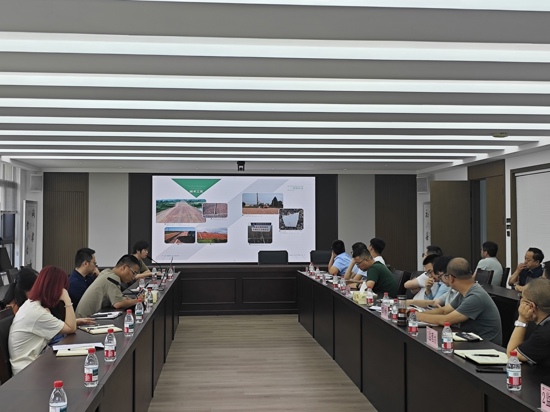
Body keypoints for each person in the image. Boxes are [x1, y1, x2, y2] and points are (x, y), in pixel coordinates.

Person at [8, 266, 93, 375]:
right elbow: (71, 328)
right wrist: (67, 299)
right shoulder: (36, 312)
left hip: (34, 363)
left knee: (75, 366)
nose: (63, 291)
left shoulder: (33, 305)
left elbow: (68, 326)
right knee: (76, 369)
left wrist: (74, 322)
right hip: (27, 371)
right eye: (62, 288)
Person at [416, 257, 502, 344]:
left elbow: (446, 320)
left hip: (485, 346)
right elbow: (444, 311)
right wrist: (417, 313)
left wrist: (417, 316)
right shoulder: (464, 292)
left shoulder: (476, 296)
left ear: (451, 278)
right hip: (471, 341)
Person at [75, 254, 145, 318]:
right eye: (133, 273)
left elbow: (119, 298)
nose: (133, 277)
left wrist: (129, 299)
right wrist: (138, 300)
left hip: (84, 318)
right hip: (84, 321)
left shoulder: (107, 272)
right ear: (124, 268)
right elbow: (118, 304)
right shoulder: (112, 278)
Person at [506, 278, 550, 367]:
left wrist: (522, 320)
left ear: (531, 305)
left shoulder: (545, 333)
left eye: (521, 297)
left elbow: (512, 355)